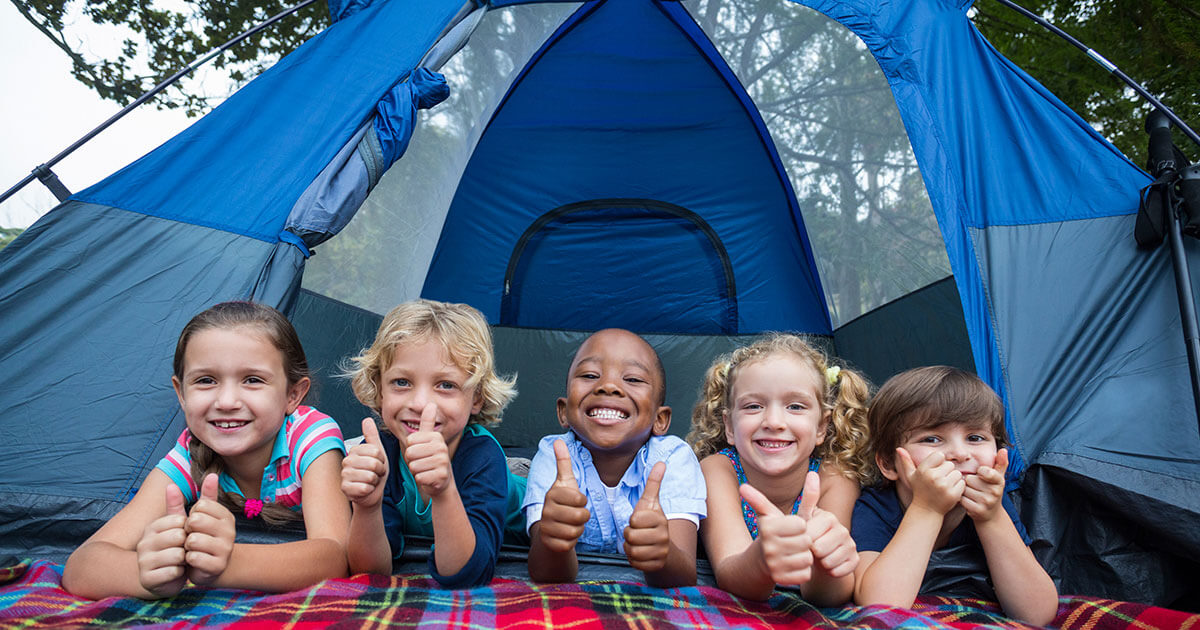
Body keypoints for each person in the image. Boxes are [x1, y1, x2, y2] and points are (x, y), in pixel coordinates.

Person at [62, 301, 350, 599]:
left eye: (252, 380)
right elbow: (81, 567)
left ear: (293, 395)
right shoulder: (190, 455)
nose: (226, 401)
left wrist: (222, 565)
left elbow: (336, 557)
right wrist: (149, 575)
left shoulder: (310, 437)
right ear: (181, 393)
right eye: (206, 380)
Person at [851, 366, 1057, 625]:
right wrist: (927, 510)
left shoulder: (991, 502)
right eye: (932, 439)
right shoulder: (875, 507)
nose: (959, 453)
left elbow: (1037, 613)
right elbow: (880, 606)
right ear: (889, 464)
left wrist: (991, 518)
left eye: (975, 437)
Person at [340, 299, 520, 588]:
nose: (421, 403)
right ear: (379, 388)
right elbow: (370, 571)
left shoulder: (482, 457)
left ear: (477, 398)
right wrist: (366, 508)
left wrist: (444, 490)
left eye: (446, 385)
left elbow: (467, 574)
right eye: (401, 382)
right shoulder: (379, 452)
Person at [687, 334, 871, 604]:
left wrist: (825, 564)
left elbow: (829, 596)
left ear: (822, 426)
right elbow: (730, 574)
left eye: (795, 406)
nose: (774, 421)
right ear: (729, 425)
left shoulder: (835, 478)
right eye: (753, 406)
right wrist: (763, 558)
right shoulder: (717, 469)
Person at [522, 328, 706, 587]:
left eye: (632, 379)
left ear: (660, 419)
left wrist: (661, 551)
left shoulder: (673, 459)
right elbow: (546, 574)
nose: (608, 386)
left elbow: (684, 575)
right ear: (563, 412)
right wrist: (553, 540)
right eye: (589, 375)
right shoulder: (554, 454)